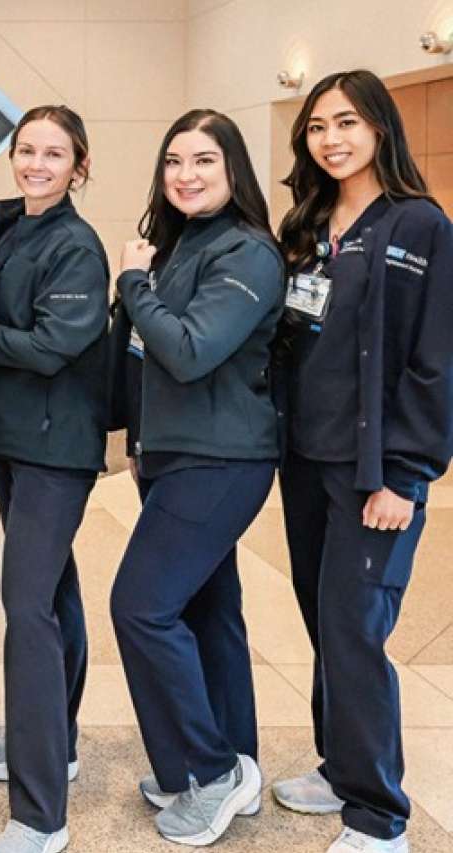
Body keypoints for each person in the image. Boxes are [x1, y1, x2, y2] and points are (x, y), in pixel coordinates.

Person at [270, 69, 453, 853]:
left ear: (380, 126)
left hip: (372, 469)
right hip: (305, 459)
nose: (331, 139)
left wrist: (405, 474)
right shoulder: (307, 224)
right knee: (325, 619)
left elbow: (435, 360)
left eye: (346, 122)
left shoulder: (421, 226)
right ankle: (340, 765)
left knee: (355, 627)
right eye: (317, 126)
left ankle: (379, 817)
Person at [107, 108, 283, 846]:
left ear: (233, 167)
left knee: (141, 607)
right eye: (175, 161)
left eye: (204, 160)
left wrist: (132, 282)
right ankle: (225, 762)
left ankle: (210, 772)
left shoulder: (248, 252)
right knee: (210, 611)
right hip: (174, 453)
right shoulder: (186, 242)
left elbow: (187, 351)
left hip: (221, 459)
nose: (186, 174)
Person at [0, 105, 109, 853]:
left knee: (26, 607)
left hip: (57, 445)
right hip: (13, 437)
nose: (36, 164)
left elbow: (52, 346)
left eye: (54, 153)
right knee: (53, 593)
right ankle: (57, 743)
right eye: (26, 150)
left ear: (79, 166)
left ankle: (41, 813)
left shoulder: (76, 245)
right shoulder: (6, 226)